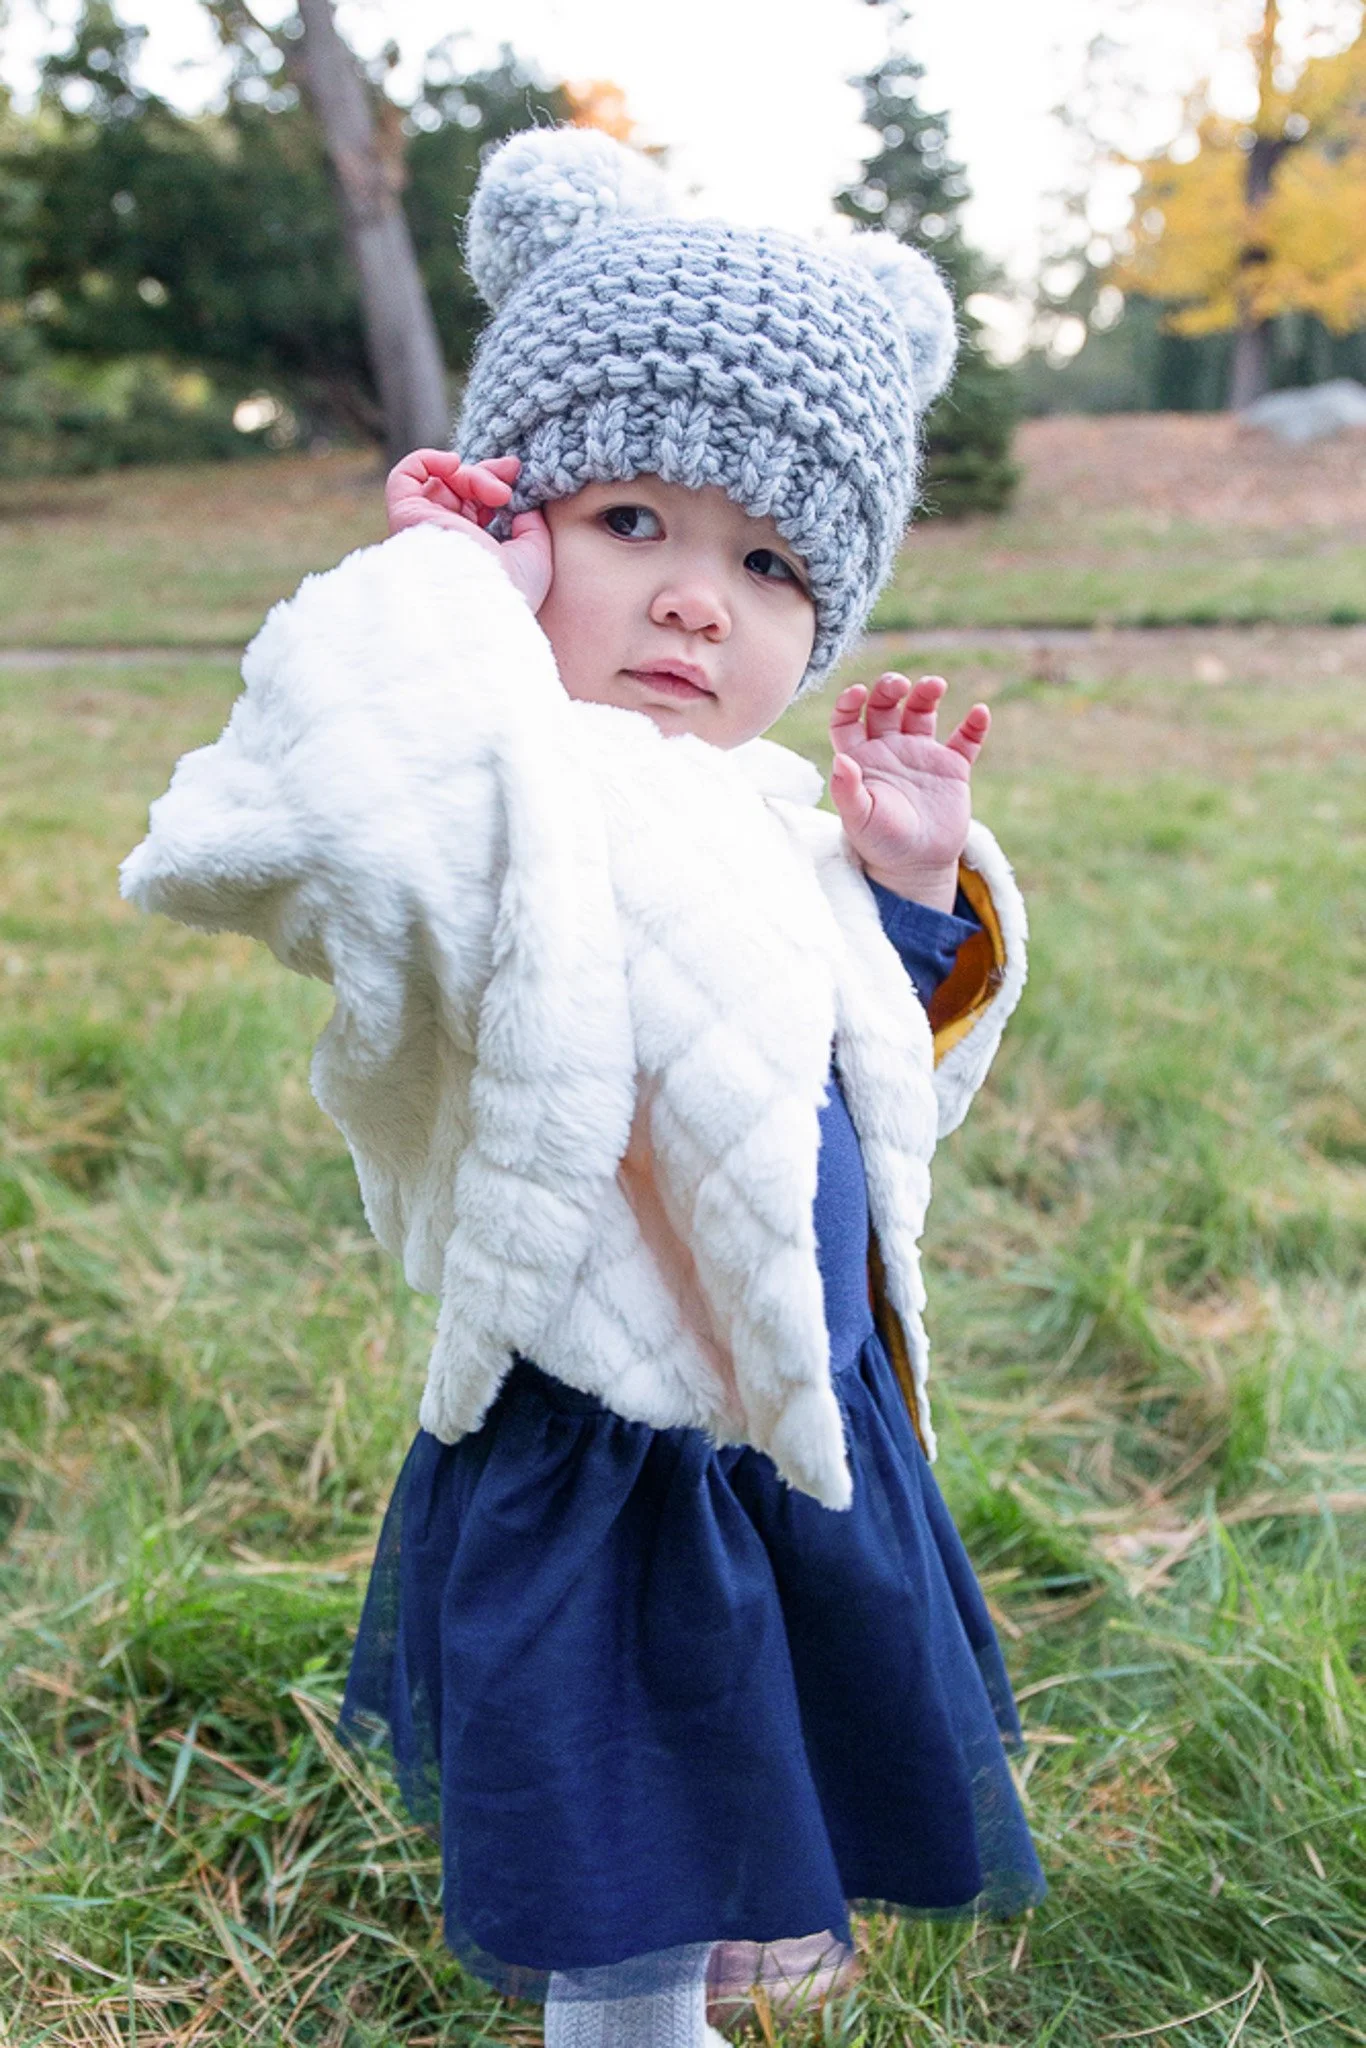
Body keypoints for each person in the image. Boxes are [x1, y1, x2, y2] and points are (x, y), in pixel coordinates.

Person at [121, 126, 1044, 2046]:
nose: (699, 600)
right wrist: (436, 597)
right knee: (622, 1842)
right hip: (607, 1428)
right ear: (520, 532)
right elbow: (299, 830)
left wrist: (906, 887)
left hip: (791, 1411)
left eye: (771, 560)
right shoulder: (493, 788)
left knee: (747, 1763)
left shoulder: (778, 814)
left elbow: (881, 1083)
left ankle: (694, 1971)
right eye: (631, 526)